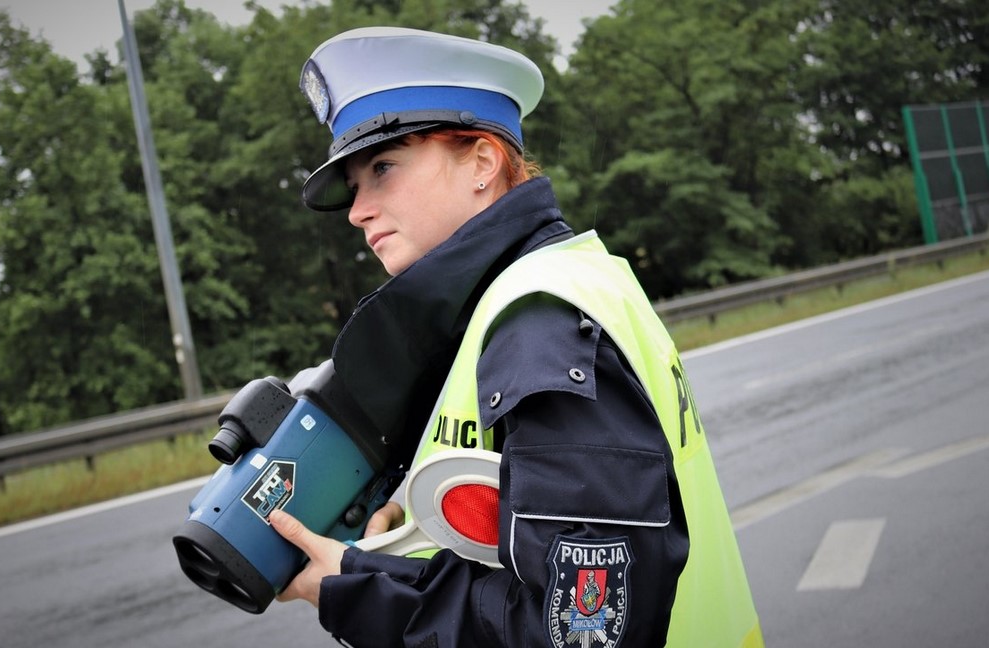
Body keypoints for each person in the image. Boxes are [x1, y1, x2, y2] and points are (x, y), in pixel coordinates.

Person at [266, 26, 763, 648]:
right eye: (354, 186)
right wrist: (400, 538)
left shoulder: (538, 321)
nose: (357, 209)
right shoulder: (560, 279)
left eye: (384, 168)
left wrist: (355, 585)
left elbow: (578, 632)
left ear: (481, 162)